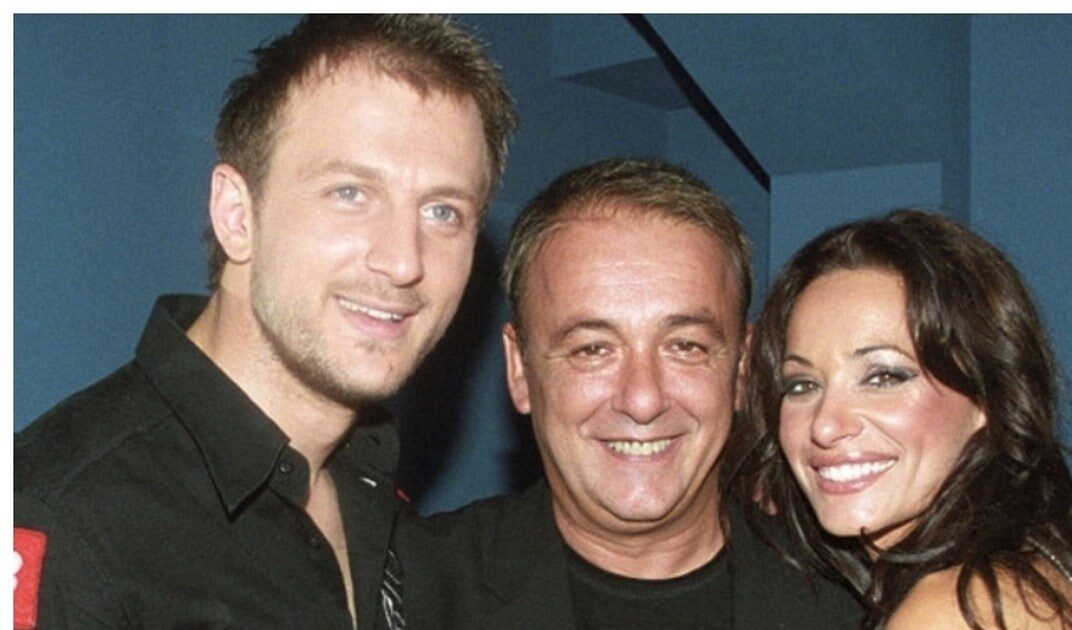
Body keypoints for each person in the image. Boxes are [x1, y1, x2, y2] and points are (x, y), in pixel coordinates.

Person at [14, 14, 515, 629]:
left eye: (442, 212)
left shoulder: (376, 496)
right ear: (237, 215)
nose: (404, 261)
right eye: (350, 193)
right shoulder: (63, 517)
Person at [394, 158, 862, 629]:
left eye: (685, 346)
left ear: (741, 368)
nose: (643, 400)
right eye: (592, 349)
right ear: (520, 369)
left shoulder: (859, 605)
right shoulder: (403, 594)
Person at [732, 209, 1072, 628]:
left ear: (986, 396)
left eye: (884, 377)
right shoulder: (1027, 582)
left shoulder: (956, 610)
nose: (825, 425)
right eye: (802, 385)